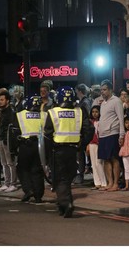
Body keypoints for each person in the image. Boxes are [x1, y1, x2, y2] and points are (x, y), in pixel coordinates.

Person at [44, 86, 94, 218]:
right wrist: (81, 144)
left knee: (60, 179)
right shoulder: (79, 111)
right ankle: (62, 204)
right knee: (67, 178)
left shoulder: (53, 112)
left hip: (57, 151)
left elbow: (47, 135)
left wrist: (47, 154)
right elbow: (89, 130)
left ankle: (67, 204)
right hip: (73, 150)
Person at [14, 95, 46, 203]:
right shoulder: (44, 115)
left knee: (22, 169)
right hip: (40, 146)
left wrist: (13, 149)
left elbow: (15, 132)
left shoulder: (20, 115)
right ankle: (38, 196)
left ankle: (28, 190)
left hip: (25, 145)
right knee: (37, 170)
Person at [97, 80, 125, 192]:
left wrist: (121, 135)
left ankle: (115, 183)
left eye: (104, 90)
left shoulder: (116, 101)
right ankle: (109, 182)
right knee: (105, 159)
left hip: (113, 133)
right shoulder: (103, 103)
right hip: (103, 135)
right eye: (101, 90)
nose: (102, 92)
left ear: (110, 90)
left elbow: (121, 118)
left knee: (114, 159)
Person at [0, 90, 18, 193]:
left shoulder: (11, 112)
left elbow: (11, 128)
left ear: (7, 100)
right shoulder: (2, 111)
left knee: (10, 163)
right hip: (1, 139)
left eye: (2, 100)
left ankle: (13, 184)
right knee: (4, 163)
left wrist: (8, 140)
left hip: (7, 140)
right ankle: (6, 183)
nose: (0, 101)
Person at [73, 83, 92, 184]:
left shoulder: (84, 102)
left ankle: (80, 175)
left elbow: (87, 117)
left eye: (76, 92)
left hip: (83, 131)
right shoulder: (83, 102)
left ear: (79, 92)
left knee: (80, 155)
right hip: (82, 131)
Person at [87, 105, 107, 190]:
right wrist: (87, 144)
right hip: (92, 144)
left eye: (96, 112)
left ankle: (104, 182)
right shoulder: (90, 122)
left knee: (99, 163)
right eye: (93, 112)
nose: (95, 114)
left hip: (100, 143)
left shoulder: (102, 121)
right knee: (93, 164)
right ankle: (97, 182)